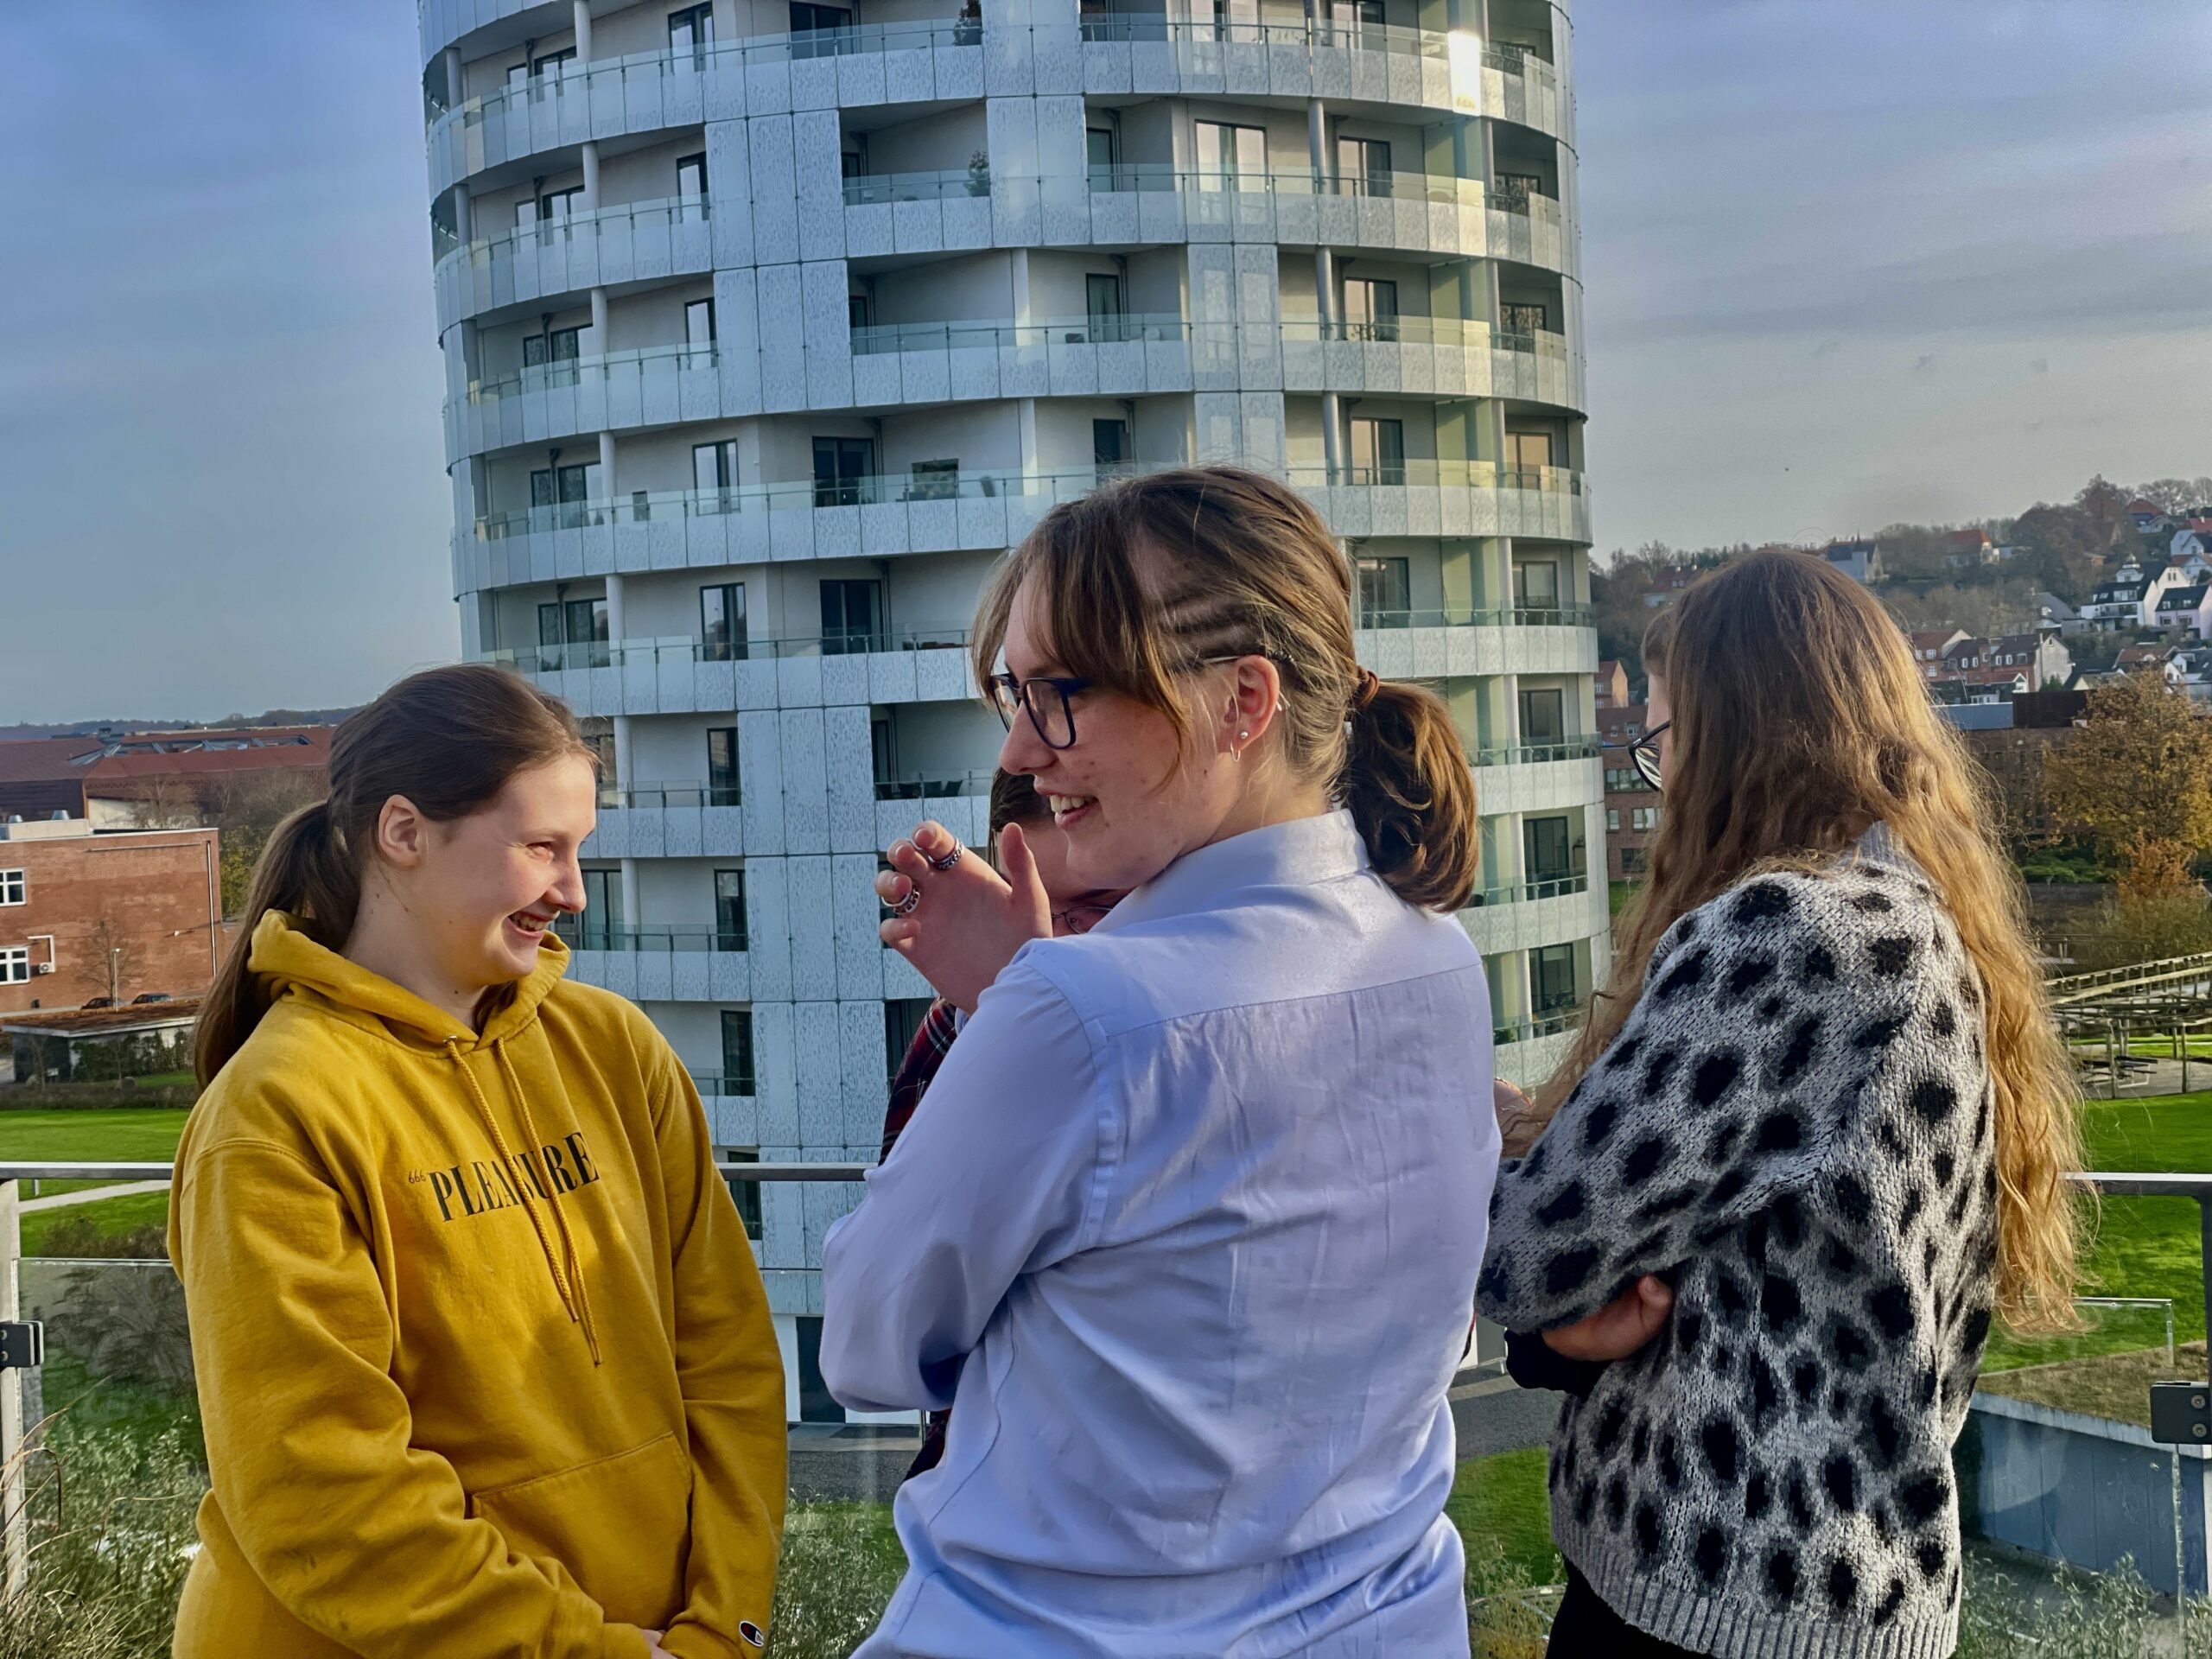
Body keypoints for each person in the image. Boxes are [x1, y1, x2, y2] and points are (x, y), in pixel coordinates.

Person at [820, 465, 1497, 1656]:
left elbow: (870, 1346)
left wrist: (1010, 1005)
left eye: (1063, 694)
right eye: (1015, 694)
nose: (1023, 748)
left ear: (1243, 702)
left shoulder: (1079, 1010)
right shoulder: (1437, 957)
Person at [1478, 552, 2082, 1658]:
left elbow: (1527, 1251)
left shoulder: (1792, 935)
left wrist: (1481, 1146)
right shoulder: (1909, 914)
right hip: (1837, 1593)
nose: (1659, 777)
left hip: (1721, 1602)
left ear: (1733, 736)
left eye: (1660, 740)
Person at [173, 664, 786, 1659]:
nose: (572, 891)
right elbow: (324, 1491)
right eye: (541, 847)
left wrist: (724, 1626)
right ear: (404, 832)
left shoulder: (614, 1049)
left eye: (578, 850)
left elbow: (730, 1367)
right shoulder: (275, 1112)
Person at [877, 766, 1128, 1478]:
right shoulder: (959, 1028)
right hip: (989, 1465)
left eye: (1095, 908)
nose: (1053, 941)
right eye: (1037, 906)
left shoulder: (1175, 1028)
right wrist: (1002, 1025)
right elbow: (897, 1302)